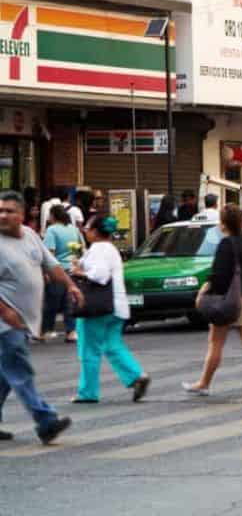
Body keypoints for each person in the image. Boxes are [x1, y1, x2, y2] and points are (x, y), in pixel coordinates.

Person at [0, 190, 76, 444]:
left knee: (5, 374)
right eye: (0, 210)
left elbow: (51, 266)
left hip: (23, 321)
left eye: (9, 211)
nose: (3, 215)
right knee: (19, 370)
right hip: (5, 322)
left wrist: (71, 287)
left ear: (22, 215)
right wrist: (5, 311)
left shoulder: (31, 237)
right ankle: (45, 420)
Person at [182, 205, 242, 398]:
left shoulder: (226, 244)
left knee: (215, 343)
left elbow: (219, 277)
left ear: (223, 224)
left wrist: (204, 291)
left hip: (228, 301)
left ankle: (204, 383)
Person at [69, 216, 150, 404]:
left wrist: (79, 272)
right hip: (117, 306)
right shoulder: (111, 249)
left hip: (97, 307)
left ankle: (88, 392)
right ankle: (136, 375)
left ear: (96, 232)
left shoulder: (98, 249)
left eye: (87, 228)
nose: (85, 231)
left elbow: (100, 275)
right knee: (113, 346)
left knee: (89, 350)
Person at [41, 205, 84, 343]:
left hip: (57, 270)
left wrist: (46, 272)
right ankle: (71, 331)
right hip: (73, 269)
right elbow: (81, 249)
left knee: (51, 302)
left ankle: (46, 330)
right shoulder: (74, 229)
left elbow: (49, 253)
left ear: (53, 216)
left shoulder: (52, 230)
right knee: (70, 302)